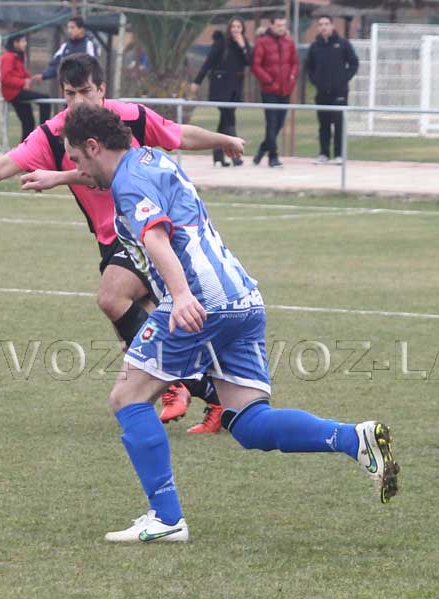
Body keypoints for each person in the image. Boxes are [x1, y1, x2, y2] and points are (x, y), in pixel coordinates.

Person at [61, 103, 399, 542]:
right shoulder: (151, 158)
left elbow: (156, 237)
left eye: (76, 159)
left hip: (202, 301)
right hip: (243, 297)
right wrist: (56, 177)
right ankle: (354, 439)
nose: (78, 170)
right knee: (250, 421)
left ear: (93, 146)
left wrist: (182, 296)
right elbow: (112, 179)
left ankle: (166, 518)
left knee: (128, 398)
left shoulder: (128, 182)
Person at [0, 54, 244, 428]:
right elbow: (8, 163)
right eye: (69, 93)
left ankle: (183, 385)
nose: (77, 101)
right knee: (147, 325)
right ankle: (216, 397)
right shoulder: (54, 133)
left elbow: (177, 135)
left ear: (102, 89)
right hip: (110, 238)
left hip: (147, 229)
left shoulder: (129, 118)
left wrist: (224, 140)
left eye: (85, 91)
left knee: (112, 297)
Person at [190, 18, 251, 167]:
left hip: (235, 89)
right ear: (229, 28)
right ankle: (235, 155)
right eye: (233, 26)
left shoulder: (243, 43)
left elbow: (249, 61)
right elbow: (208, 63)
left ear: (242, 29)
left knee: (224, 121)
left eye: (239, 27)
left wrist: (243, 46)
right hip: (221, 88)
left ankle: (218, 155)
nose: (236, 29)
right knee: (229, 119)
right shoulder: (221, 43)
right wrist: (197, 81)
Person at [305, 15, 359, 165]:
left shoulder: (343, 44)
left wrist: (343, 79)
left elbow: (354, 63)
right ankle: (324, 154)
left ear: (332, 26)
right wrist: (315, 81)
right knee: (324, 124)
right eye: (321, 24)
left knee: (339, 124)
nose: (323, 27)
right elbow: (309, 67)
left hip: (339, 92)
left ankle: (339, 155)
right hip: (322, 93)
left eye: (326, 24)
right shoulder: (315, 46)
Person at [251, 15, 298, 168]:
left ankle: (262, 150)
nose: (281, 28)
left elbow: (295, 63)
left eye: (283, 25)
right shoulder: (262, 42)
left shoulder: (289, 42)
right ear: (271, 25)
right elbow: (256, 66)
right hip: (269, 90)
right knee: (271, 123)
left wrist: (291, 78)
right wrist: (269, 81)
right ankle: (273, 156)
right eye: (278, 25)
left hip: (285, 90)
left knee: (279, 124)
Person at [0, 34, 50, 142]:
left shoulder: (18, 57)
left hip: (18, 92)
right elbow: (5, 78)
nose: (25, 44)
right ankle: (44, 133)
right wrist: (23, 82)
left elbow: (22, 73)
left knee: (28, 123)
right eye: (23, 41)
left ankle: (25, 148)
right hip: (14, 93)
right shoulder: (8, 57)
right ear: (15, 43)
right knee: (45, 100)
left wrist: (30, 80)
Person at [36, 16, 98, 82]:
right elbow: (55, 64)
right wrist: (44, 75)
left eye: (72, 27)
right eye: (68, 28)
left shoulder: (89, 45)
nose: (69, 30)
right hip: (67, 84)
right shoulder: (65, 46)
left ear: (81, 29)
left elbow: (93, 66)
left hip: (83, 84)